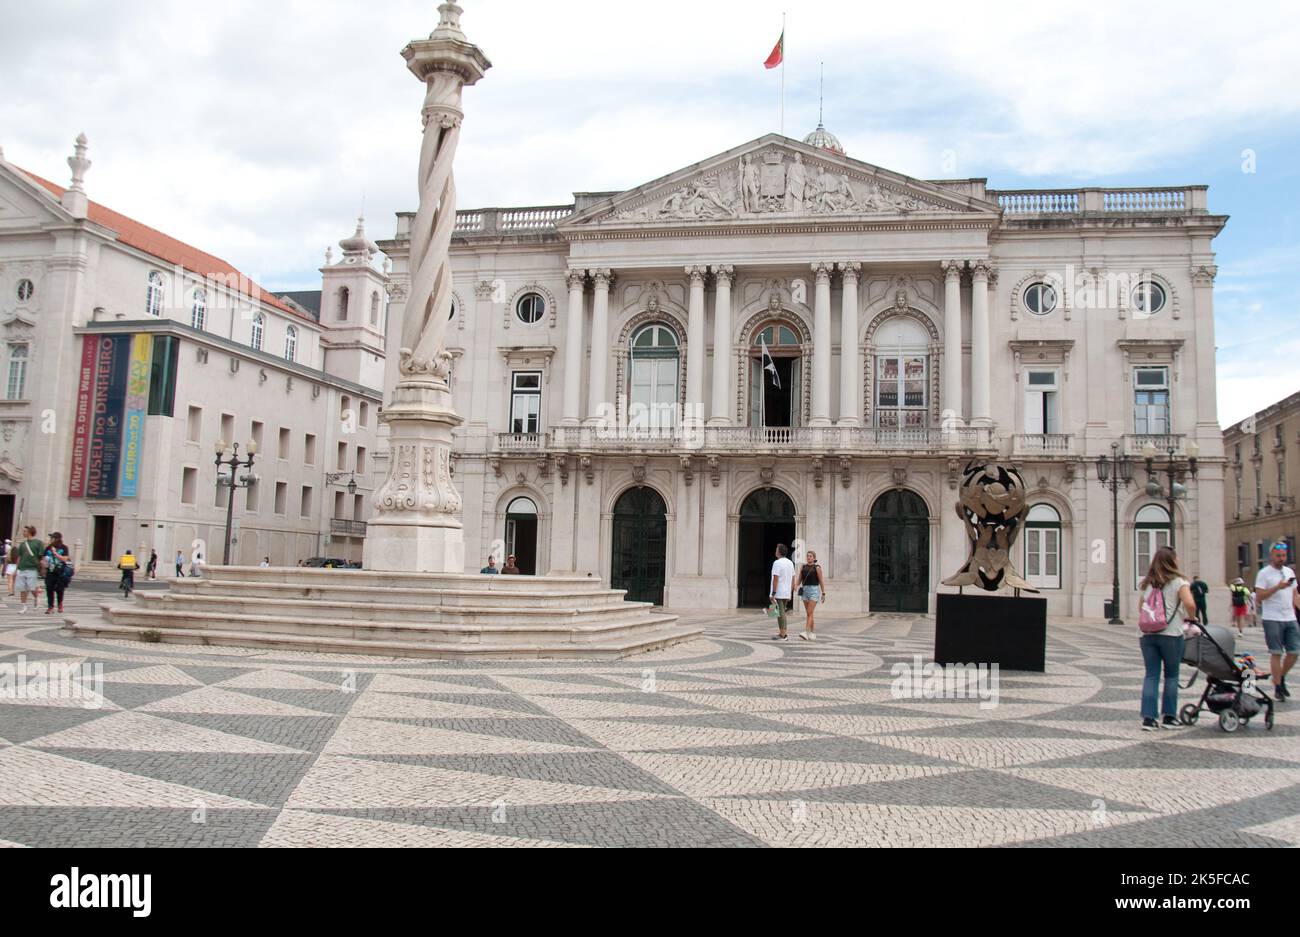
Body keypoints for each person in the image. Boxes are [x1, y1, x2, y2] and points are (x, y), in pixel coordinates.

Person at [1137, 545, 1197, 731]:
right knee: (1171, 676)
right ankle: (1169, 717)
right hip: (1171, 633)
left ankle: (1149, 719)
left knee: (1151, 675)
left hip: (1148, 634)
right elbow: (1189, 604)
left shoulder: (1148, 583)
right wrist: (1191, 617)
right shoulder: (1179, 582)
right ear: (1171, 562)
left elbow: (1141, 607)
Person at [1255, 542, 1299, 701]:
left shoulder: (1289, 572)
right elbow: (1259, 597)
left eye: (1284, 556)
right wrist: (1277, 588)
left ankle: (1280, 677)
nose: (1281, 559)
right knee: (1276, 653)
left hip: (1290, 617)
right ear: (1271, 556)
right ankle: (1278, 686)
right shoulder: (1264, 573)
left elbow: (1295, 595)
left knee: (1294, 652)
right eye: (1278, 556)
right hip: (1272, 618)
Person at [796, 549, 827, 640]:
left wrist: (823, 593)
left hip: (814, 590)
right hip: (805, 591)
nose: (808, 557)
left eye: (810, 556)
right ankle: (812, 633)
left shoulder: (817, 567)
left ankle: (806, 632)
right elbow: (799, 580)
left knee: (809, 612)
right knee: (809, 613)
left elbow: (821, 581)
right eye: (808, 556)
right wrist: (794, 586)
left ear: (814, 558)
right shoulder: (803, 567)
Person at [769, 543, 796, 641]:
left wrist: (773, 593)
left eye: (776, 549)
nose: (775, 551)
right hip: (786, 591)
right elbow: (793, 577)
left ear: (779, 552)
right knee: (781, 612)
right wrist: (791, 591)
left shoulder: (777, 563)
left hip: (779, 592)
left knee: (780, 613)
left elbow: (775, 578)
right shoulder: (790, 563)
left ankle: (784, 634)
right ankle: (782, 632)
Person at [14, 525, 44, 613]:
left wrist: (41, 567)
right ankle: (24, 607)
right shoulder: (22, 544)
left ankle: (37, 599)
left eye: (25, 531)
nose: (23, 533)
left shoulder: (38, 543)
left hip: (32, 568)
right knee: (22, 589)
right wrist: (16, 568)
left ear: (30, 532)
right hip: (22, 568)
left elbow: (41, 556)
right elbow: (19, 556)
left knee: (32, 588)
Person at [42, 532, 71, 614]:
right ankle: (50, 607)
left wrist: (55, 553)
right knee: (49, 589)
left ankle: (60, 604)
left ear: (57, 539)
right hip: (50, 571)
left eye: (52, 538)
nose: (51, 539)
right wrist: (43, 565)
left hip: (61, 571)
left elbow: (65, 559)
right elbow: (44, 558)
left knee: (59, 589)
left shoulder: (64, 548)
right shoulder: (48, 548)